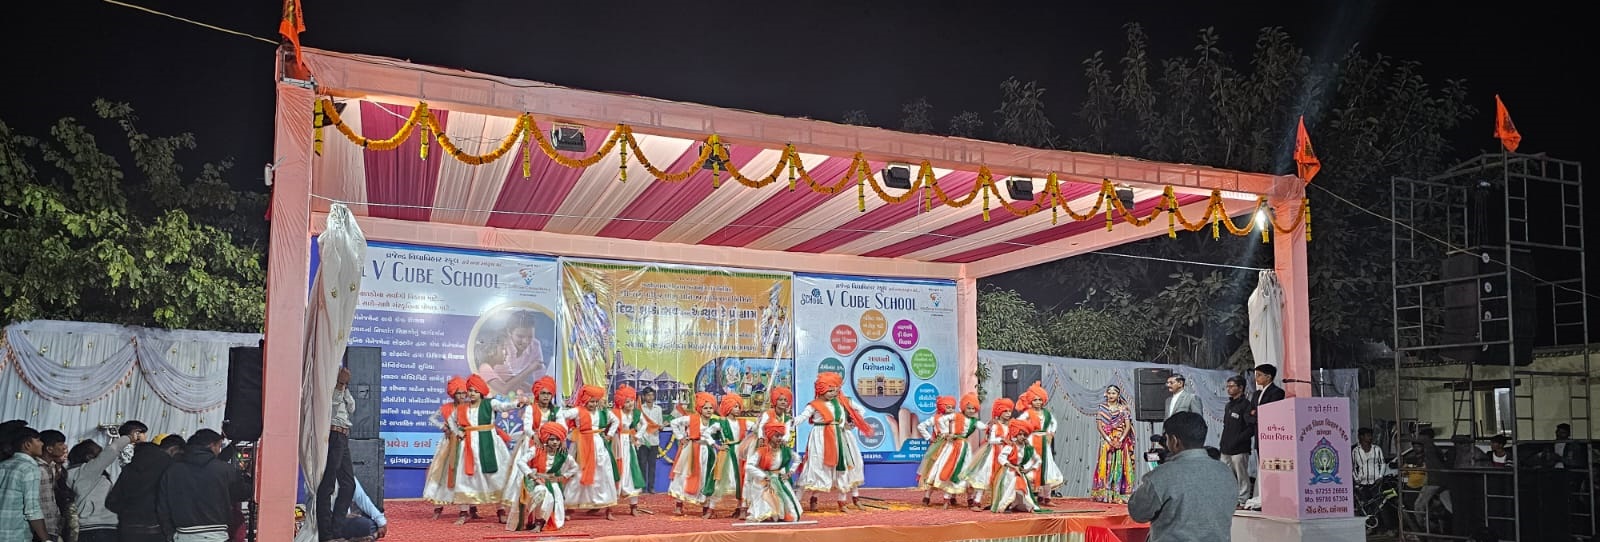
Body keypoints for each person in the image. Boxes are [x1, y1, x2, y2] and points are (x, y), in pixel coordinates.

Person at [1128, 412, 1238, 542]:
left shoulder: (1162, 475)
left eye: (1167, 438)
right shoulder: (1226, 472)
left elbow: (1138, 512)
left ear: (1174, 441)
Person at [444, 375, 517, 524]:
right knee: (466, 478)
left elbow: (504, 407)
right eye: (470, 390)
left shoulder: (490, 403)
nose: (472, 393)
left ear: (481, 392)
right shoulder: (462, 407)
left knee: (496, 477)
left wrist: (517, 403)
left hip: (489, 444)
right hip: (469, 446)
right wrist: (458, 433)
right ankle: (464, 512)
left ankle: (501, 510)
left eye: (475, 391)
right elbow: (451, 419)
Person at [796, 372, 871, 513]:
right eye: (829, 391)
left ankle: (844, 501)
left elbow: (860, 410)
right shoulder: (814, 405)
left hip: (841, 437)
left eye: (835, 390)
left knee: (845, 467)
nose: (833, 393)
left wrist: (851, 422)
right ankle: (801, 501)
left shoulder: (842, 401)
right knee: (818, 468)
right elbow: (802, 417)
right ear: (821, 390)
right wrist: (789, 423)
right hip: (821, 438)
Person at [157, 429, 248, 542]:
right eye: (219, 447)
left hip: (183, 535)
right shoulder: (225, 470)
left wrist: (170, 535)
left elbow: (163, 508)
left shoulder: (171, 471)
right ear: (212, 445)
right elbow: (241, 494)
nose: (218, 451)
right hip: (217, 536)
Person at [558, 385, 619, 519]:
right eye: (591, 401)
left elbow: (616, 420)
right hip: (581, 446)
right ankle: (570, 507)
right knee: (577, 474)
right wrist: (563, 434)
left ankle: (607, 508)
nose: (594, 404)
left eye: (596, 401)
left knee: (603, 475)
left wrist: (609, 435)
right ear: (585, 400)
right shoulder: (577, 411)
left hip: (598, 446)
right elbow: (560, 415)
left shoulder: (603, 412)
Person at [107, 435, 179, 542]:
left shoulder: (129, 468)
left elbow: (111, 502)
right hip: (156, 530)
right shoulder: (168, 467)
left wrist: (128, 513)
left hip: (127, 530)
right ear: (173, 450)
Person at [508, 422, 576, 533]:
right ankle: (536, 522)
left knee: (546, 494)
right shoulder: (537, 449)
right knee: (541, 491)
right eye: (552, 439)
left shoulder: (562, 453)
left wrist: (561, 477)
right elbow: (521, 462)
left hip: (553, 484)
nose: (555, 442)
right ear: (546, 439)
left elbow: (574, 467)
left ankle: (540, 523)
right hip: (533, 483)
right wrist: (533, 476)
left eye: (558, 439)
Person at [68, 432, 135, 542]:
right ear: (89, 457)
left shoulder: (75, 473)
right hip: (98, 527)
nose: (102, 457)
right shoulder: (87, 471)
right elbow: (111, 451)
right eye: (99, 454)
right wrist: (129, 437)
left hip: (91, 528)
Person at [316, 366, 358, 541]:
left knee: (348, 484)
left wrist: (344, 386)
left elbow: (352, 407)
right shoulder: (329, 388)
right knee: (328, 485)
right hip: (333, 434)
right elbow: (332, 407)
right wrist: (340, 384)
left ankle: (336, 530)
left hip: (343, 435)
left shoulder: (343, 389)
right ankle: (326, 535)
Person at [422, 376, 468, 519]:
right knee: (443, 473)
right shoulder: (446, 408)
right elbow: (432, 418)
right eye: (459, 393)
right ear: (453, 393)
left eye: (464, 393)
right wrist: (443, 427)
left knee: (464, 474)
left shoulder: (469, 407)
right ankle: (438, 507)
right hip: (448, 444)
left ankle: (467, 509)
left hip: (465, 443)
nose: (462, 396)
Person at [669, 393, 720, 516]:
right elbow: (674, 422)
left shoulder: (714, 422)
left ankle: (705, 506)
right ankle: (679, 505)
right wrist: (681, 437)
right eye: (706, 408)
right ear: (700, 409)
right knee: (684, 476)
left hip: (707, 452)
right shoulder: (691, 419)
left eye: (711, 408)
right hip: (691, 451)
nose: (709, 410)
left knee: (705, 477)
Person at [742, 420, 802, 523]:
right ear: (770, 436)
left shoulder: (785, 450)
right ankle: (767, 515)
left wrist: (790, 472)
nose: (780, 438)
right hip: (765, 480)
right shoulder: (762, 450)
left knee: (791, 511)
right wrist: (762, 476)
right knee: (765, 496)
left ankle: (779, 515)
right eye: (777, 436)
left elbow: (797, 459)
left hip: (779, 478)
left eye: (781, 436)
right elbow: (749, 465)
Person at [1015, 383, 1063, 505]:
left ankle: (1046, 498)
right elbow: (1018, 423)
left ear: (1043, 400)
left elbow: (1054, 423)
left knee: (1046, 466)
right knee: (1033, 465)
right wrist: (1024, 435)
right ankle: (1028, 497)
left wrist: (1051, 433)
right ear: (1031, 401)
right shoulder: (1027, 413)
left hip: (1044, 442)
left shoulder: (1047, 413)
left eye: (1040, 400)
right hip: (1032, 440)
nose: (1038, 402)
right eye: (1035, 400)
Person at [1, 427, 50, 542]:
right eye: (38, 440)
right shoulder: (29, 469)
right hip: (16, 536)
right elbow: (32, 510)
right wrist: (46, 539)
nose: (42, 444)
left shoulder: (2, 465)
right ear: (27, 445)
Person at [964, 397, 1013, 511]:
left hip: (1005, 454)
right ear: (999, 412)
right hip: (993, 454)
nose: (1008, 414)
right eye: (1005, 411)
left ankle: (997, 502)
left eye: (1009, 411)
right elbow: (991, 440)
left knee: (1002, 478)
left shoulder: (1009, 426)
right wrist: (1002, 440)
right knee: (985, 476)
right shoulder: (995, 425)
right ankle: (976, 502)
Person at [708, 393, 753, 519]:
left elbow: (757, 428)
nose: (738, 409)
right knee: (720, 480)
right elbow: (706, 433)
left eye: (739, 407)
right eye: (735, 406)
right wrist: (716, 446)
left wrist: (761, 421)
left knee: (742, 480)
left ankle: (741, 508)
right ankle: (711, 508)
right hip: (727, 453)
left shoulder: (744, 422)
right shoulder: (720, 423)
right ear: (728, 407)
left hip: (741, 454)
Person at [1091, 385, 1136, 504]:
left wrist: (1120, 440)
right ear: (1106, 394)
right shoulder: (1102, 408)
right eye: (1109, 393)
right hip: (1107, 441)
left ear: (1118, 395)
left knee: (1120, 465)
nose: (1111, 395)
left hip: (1120, 441)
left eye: (1113, 393)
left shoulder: (1123, 409)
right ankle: (1106, 495)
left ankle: (1118, 494)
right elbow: (1099, 426)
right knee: (1106, 465)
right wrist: (1108, 440)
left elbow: (1127, 426)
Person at [987, 418, 1042, 514]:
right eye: (1020, 434)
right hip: (1009, 471)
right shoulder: (1010, 446)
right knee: (1008, 487)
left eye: (1024, 435)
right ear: (1015, 434)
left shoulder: (1028, 448)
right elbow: (1001, 458)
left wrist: (1029, 469)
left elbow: (1038, 460)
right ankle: (1006, 505)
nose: (1022, 437)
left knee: (1020, 486)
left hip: (1020, 471)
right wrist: (1013, 467)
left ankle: (1023, 505)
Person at [610, 385, 648, 516]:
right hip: (616, 444)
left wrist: (637, 436)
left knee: (632, 472)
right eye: (627, 401)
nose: (630, 403)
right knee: (615, 472)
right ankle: (609, 508)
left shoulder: (636, 413)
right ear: (621, 402)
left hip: (628, 445)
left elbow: (645, 424)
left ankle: (634, 506)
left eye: (632, 400)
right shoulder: (615, 413)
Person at [1218, 376, 1255, 507]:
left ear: (1241, 388)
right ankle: (1229, 498)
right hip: (1226, 447)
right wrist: (1223, 442)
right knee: (1226, 475)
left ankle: (1243, 499)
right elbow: (1226, 426)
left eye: (1232, 386)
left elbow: (1251, 428)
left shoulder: (1246, 405)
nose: (1229, 389)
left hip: (1240, 448)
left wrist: (1238, 440)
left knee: (1241, 475)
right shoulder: (1229, 405)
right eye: (1227, 386)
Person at [914, 396, 955, 506]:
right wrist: (929, 438)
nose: (951, 409)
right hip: (939, 448)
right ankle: (927, 496)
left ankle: (952, 496)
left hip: (953, 446)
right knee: (934, 471)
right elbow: (921, 426)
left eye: (953, 407)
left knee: (952, 470)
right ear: (942, 407)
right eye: (948, 407)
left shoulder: (955, 418)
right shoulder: (936, 419)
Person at [328, 477, 387, 541]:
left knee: (378, 514)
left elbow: (362, 498)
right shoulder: (326, 475)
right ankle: (373, 535)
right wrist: (341, 515)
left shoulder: (346, 474)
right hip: (332, 521)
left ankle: (371, 535)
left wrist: (381, 521)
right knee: (367, 525)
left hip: (345, 516)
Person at [38, 429, 68, 541]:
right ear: (49, 449)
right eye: (60, 444)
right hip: (39, 526)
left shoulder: (53, 468)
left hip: (52, 525)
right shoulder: (36, 468)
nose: (64, 447)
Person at [637, 387, 667, 494]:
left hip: (654, 441)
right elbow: (638, 425)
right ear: (644, 397)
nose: (650, 397)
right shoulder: (640, 409)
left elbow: (660, 424)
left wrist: (661, 426)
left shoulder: (658, 409)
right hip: (643, 441)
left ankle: (651, 487)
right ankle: (642, 487)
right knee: (642, 465)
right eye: (648, 395)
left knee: (652, 466)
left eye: (652, 395)